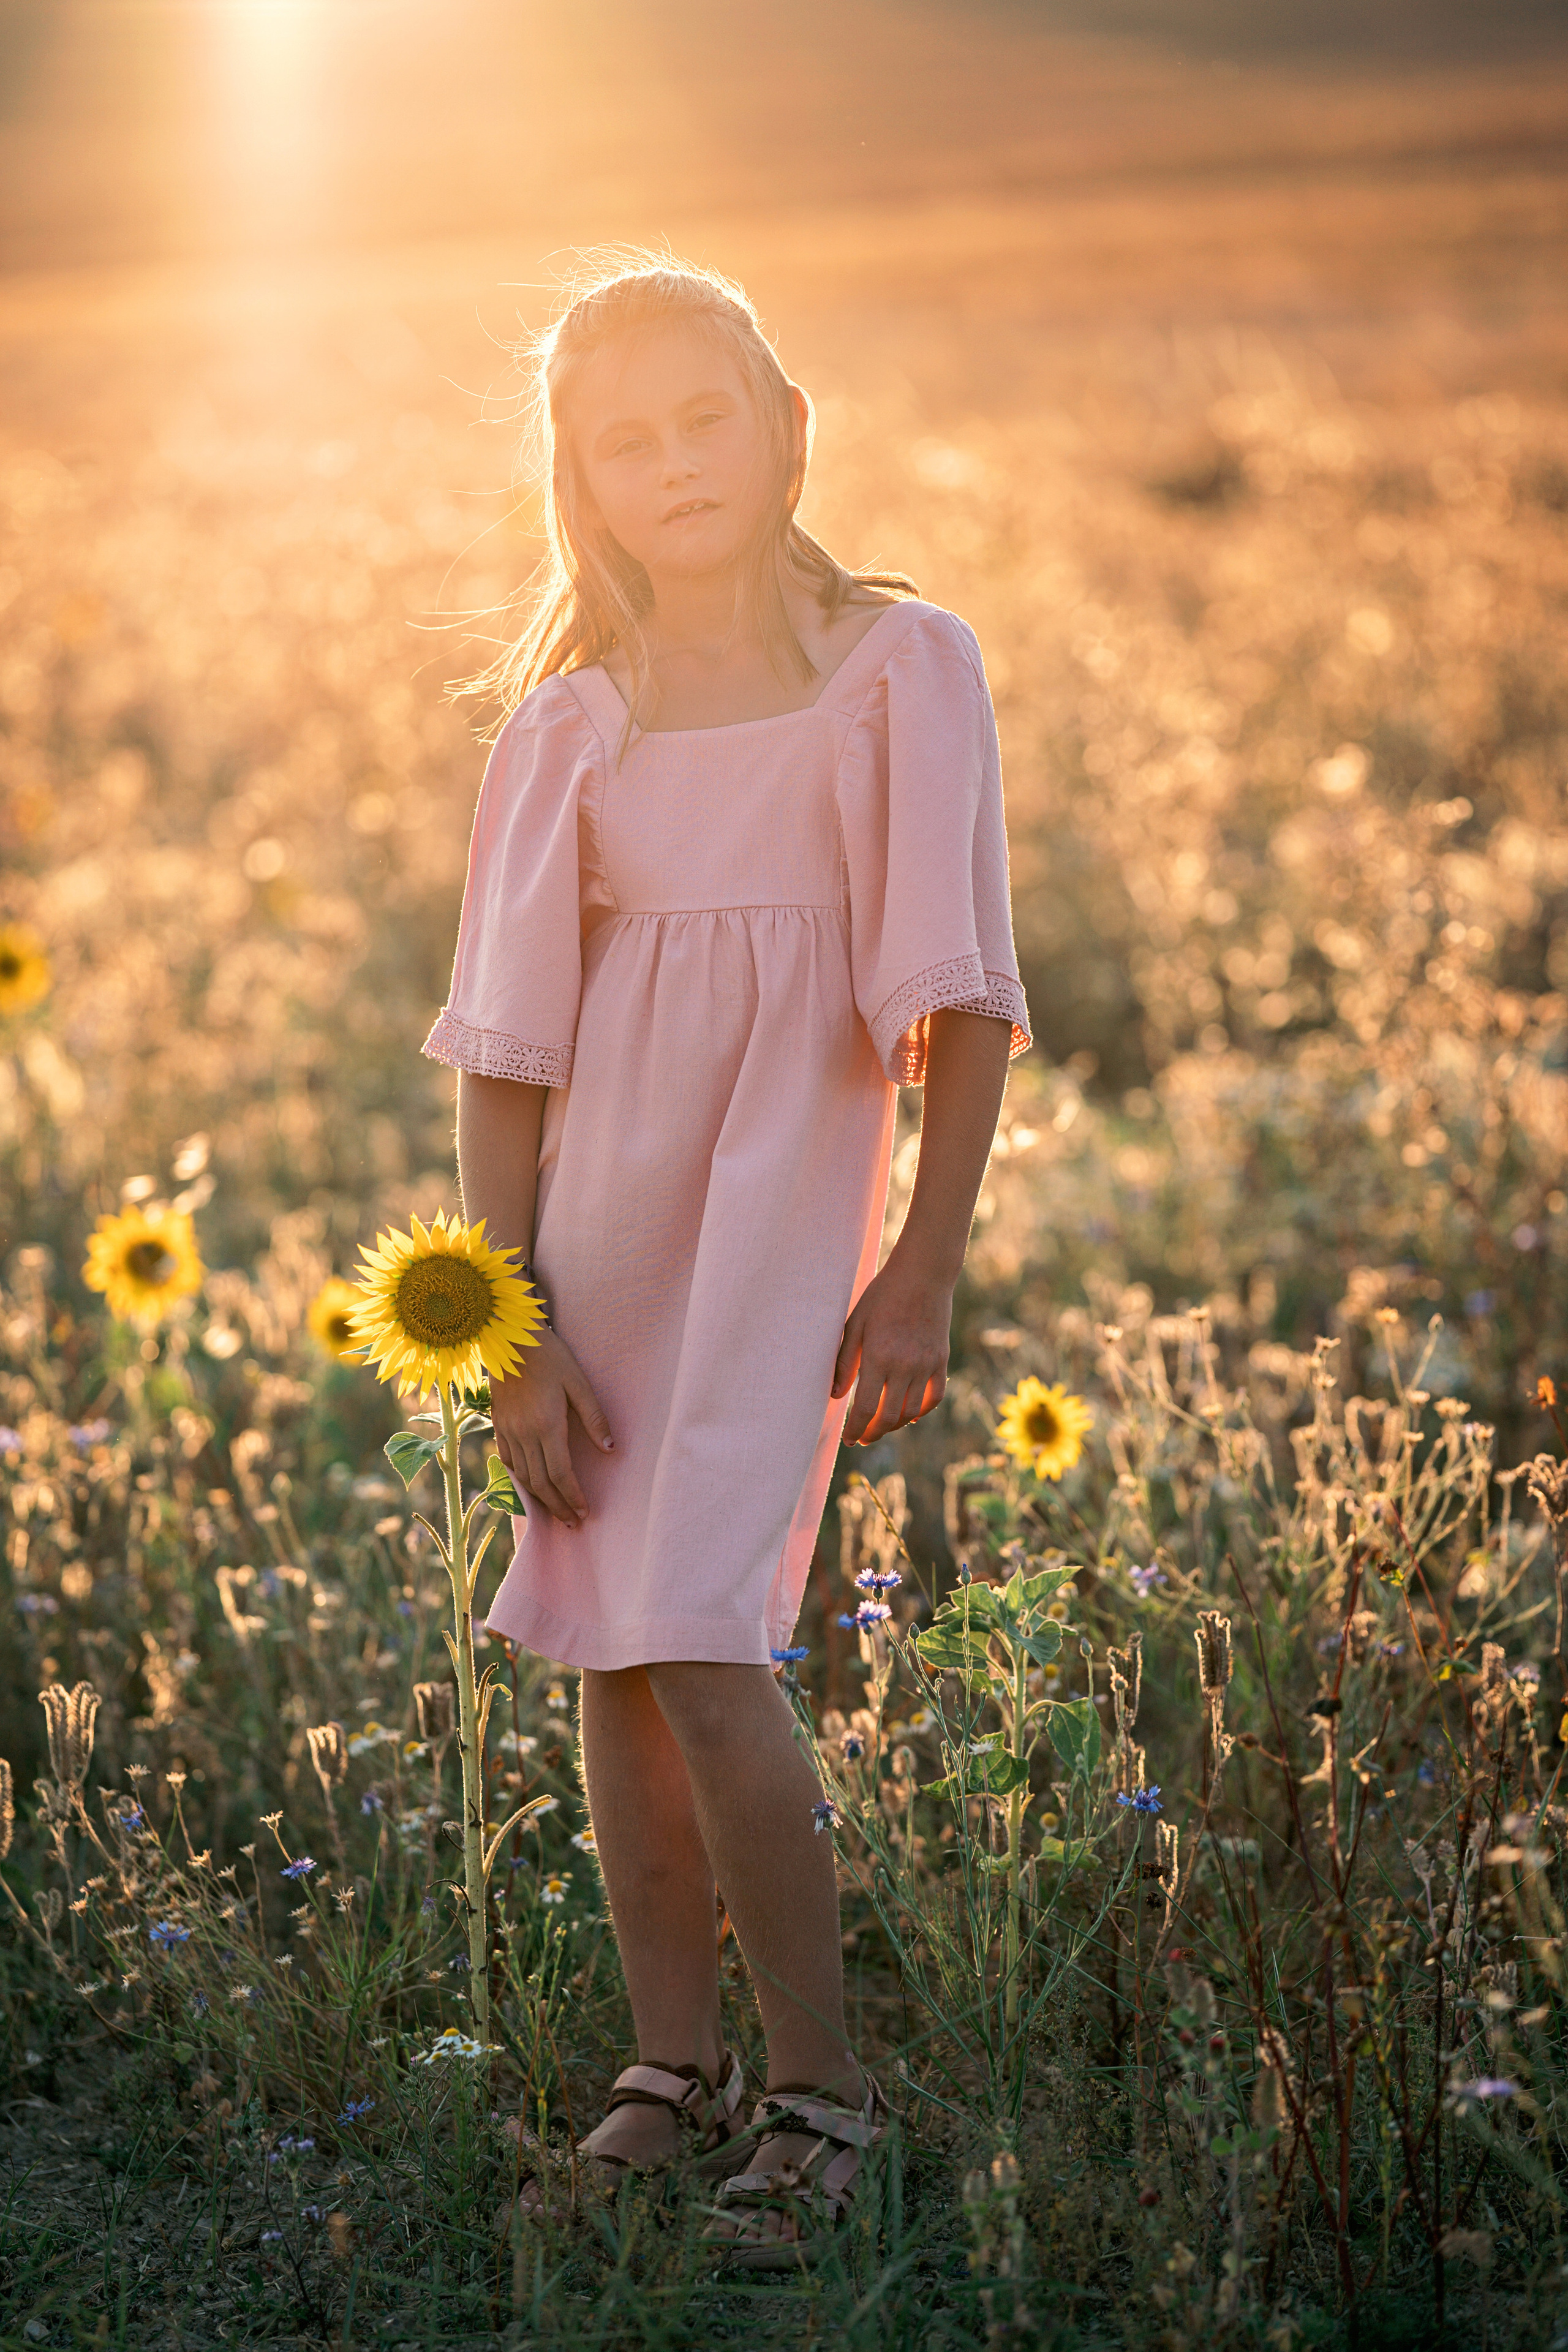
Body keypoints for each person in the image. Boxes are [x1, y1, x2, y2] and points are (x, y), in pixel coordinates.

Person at [424, 254, 1030, 2266]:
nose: (674, 463)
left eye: (708, 417)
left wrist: (928, 1261)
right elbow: (507, 1058)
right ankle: (666, 2065)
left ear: (785, 428)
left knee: (701, 1630)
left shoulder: (896, 670)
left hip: (789, 1226)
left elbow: (959, 994)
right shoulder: (570, 728)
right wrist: (509, 1333)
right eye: (627, 439)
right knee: (613, 1643)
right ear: (580, 486)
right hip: (601, 1247)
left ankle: (828, 2093)